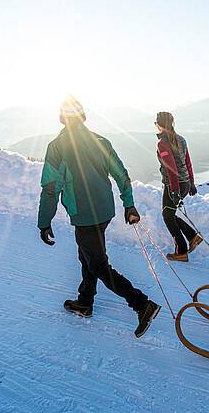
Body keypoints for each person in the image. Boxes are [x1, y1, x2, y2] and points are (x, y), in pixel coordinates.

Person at [38, 96, 160, 338]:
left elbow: (51, 188)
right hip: (104, 211)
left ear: (62, 118)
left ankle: (141, 304)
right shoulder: (100, 141)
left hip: (84, 214)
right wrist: (129, 205)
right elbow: (121, 174)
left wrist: (44, 221)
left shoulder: (57, 147)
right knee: (87, 255)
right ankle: (85, 301)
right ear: (82, 115)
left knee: (97, 264)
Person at [155, 111, 202, 262]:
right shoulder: (181, 140)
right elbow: (188, 163)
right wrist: (192, 183)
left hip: (173, 185)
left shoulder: (163, 143)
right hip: (185, 183)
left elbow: (171, 168)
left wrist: (174, 190)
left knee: (167, 216)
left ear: (160, 125)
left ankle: (181, 251)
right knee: (170, 214)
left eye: (156, 124)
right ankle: (192, 236)